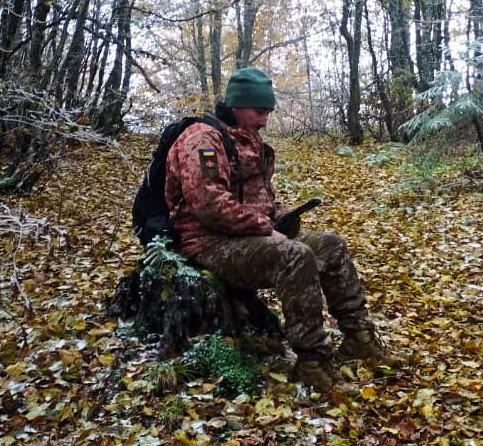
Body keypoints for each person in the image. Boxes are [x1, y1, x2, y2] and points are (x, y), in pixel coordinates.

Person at [164, 66, 386, 394]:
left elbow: (260, 199)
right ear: (237, 105)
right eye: (259, 111)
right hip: (208, 242)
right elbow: (209, 205)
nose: (264, 120)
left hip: (248, 235)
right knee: (294, 256)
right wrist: (266, 227)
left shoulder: (247, 139)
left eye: (268, 112)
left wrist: (282, 216)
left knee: (331, 246)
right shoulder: (203, 140)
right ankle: (313, 363)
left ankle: (360, 338)